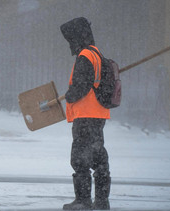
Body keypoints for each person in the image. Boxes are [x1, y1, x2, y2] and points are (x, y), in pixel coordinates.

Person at [60, 17, 111, 210]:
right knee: (98, 156)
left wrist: (69, 95)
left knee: (80, 158)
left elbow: (81, 85)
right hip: (97, 114)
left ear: (76, 36)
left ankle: (83, 201)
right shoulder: (97, 54)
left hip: (85, 115)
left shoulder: (84, 56)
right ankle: (102, 201)